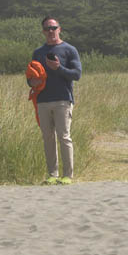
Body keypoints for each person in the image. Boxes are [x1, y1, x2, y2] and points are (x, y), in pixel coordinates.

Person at [28, 16, 82, 185]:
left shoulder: (69, 49)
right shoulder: (38, 52)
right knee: (47, 138)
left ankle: (67, 175)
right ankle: (52, 174)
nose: (50, 31)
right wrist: (31, 82)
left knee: (64, 137)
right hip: (42, 100)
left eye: (53, 27)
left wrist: (59, 68)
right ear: (43, 31)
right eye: (47, 28)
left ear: (60, 29)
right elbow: (31, 76)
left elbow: (77, 74)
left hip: (63, 100)